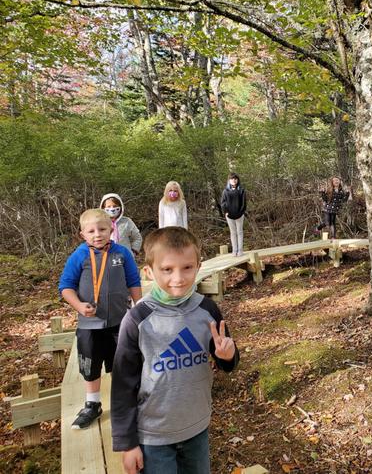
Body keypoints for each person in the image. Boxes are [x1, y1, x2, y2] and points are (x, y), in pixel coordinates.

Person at [111, 227, 239, 474]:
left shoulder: (208, 310)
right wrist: (128, 445)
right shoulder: (138, 319)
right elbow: (122, 386)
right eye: (167, 269)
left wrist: (228, 356)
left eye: (187, 267)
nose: (178, 278)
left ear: (198, 266)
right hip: (153, 436)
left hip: (197, 428)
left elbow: (226, 359)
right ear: (149, 272)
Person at [58, 209, 142, 430]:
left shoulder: (122, 253)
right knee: (90, 365)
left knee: (122, 363)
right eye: (91, 231)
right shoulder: (79, 256)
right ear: (82, 234)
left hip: (120, 322)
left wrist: (138, 308)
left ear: (112, 229)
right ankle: (92, 404)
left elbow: (133, 281)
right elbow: (66, 287)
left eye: (103, 229)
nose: (98, 234)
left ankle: (125, 403)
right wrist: (78, 305)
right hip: (89, 325)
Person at [220, 172, 247, 256]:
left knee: (239, 232)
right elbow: (223, 203)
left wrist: (241, 213)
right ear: (229, 180)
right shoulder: (225, 191)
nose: (234, 180)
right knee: (233, 232)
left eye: (235, 179)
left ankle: (240, 250)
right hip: (229, 215)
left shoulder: (241, 190)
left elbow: (244, 204)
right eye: (232, 179)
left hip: (239, 214)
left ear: (237, 180)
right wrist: (226, 212)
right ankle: (234, 250)